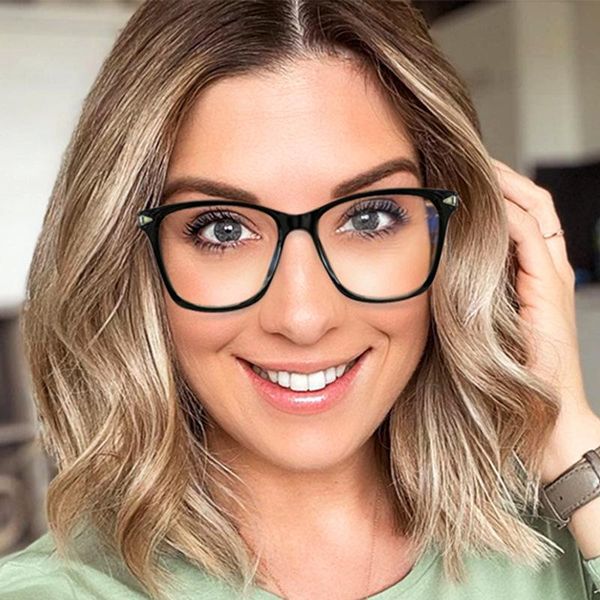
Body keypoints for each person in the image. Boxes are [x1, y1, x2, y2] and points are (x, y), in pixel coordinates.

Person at [1, 1, 600, 599]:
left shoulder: (571, 527)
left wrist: (570, 434)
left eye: (368, 217)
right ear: (129, 260)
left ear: (456, 239)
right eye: (223, 229)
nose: (304, 318)